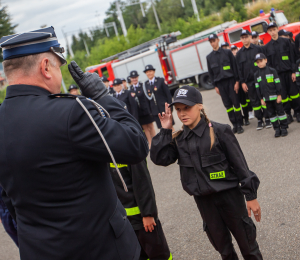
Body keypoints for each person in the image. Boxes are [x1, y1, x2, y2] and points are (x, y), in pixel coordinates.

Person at [0, 26, 149, 260]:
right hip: (101, 250)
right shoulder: (72, 112)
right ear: (45, 67)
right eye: (58, 67)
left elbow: (7, 199)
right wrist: (102, 96)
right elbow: (136, 145)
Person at [151, 85, 263, 260]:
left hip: (230, 198)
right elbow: (160, 158)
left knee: (249, 248)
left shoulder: (219, 131)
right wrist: (165, 130)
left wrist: (251, 196)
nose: (182, 114)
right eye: (178, 110)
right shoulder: (179, 140)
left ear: (200, 106)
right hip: (205, 203)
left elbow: (240, 165)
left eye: (187, 108)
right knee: (225, 252)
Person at [109, 161, 172, 260]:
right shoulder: (105, 153)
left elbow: (143, 183)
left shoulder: (130, 150)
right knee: (137, 254)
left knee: (157, 253)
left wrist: (148, 214)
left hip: (143, 220)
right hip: (124, 220)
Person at [263, 22, 300, 123]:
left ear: (278, 29)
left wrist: (293, 72)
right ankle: (288, 114)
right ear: (268, 32)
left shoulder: (286, 42)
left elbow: (293, 57)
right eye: (270, 30)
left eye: (274, 29)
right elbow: (268, 64)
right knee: (283, 97)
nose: (273, 32)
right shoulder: (267, 47)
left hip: (289, 73)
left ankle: (298, 112)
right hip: (278, 76)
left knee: (294, 94)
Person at [207, 33, 244, 134]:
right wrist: (215, 86)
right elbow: (211, 73)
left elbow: (234, 67)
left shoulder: (227, 52)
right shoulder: (209, 57)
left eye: (214, 41)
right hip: (220, 84)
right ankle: (234, 124)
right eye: (211, 42)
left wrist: (237, 81)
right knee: (228, 105)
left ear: (218, 40)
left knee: (236, 103)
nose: (212, 43)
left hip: (231, 81)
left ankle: (240, 124)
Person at [236, 29, 271, 130]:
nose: (245, 39)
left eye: (246, 36)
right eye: (242, 37)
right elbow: (239, 70)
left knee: (264, 98)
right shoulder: (239, 54)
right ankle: (260, 120)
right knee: (255, 102)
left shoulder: (258, 49)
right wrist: (242, 82)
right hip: (249, 82)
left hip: (261, 78)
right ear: (240, 39)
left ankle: (267, 118)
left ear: (250, 37)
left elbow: (265, 63)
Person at [254, 53, 288, 137]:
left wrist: (279, 95)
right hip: (266, 99)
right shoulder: (256, 74)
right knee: (271, 115)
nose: (259, 63)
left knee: (281, 113)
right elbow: (257, 88)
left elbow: (278, 83)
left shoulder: (272, 70)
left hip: (276, 97)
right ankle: (277, 129)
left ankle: (284, 128)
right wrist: (261, 99)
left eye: (261, 61)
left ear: (266, 60)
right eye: (257, 62)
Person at [129, 70, 156, 147]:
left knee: (151, 126)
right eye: (133, 78)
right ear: (131, 79)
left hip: (146, 110)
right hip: (138, 112)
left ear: (138, 77)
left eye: (135, 77)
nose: (134, 79)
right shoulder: (130, 89)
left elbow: (147, 98)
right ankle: (150, 143)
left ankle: (155, 141)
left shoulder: (143, 85)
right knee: (145, 128)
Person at [144, 64, 173, 129]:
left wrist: (170, 106)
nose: (149, 73)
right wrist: (150, 111)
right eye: (147, 72)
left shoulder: (160, 80)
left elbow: (168, 94)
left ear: (154, 72)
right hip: (155, 111)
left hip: (164, 108)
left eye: (150, 71)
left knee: (170, 127)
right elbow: (147, 99)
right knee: (162, 129)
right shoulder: (145, 84)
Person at [231, 45, 250, 126]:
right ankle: (240, 119)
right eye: (232, 50)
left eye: (235, 49)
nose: (234, 51)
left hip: (241, 81)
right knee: (236, 102)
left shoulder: (239, 57)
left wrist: (241, 81)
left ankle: (246, 117)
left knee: (243, 101)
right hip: (233, 84)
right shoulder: (229, 59)